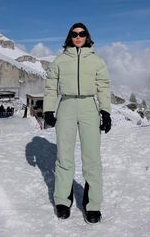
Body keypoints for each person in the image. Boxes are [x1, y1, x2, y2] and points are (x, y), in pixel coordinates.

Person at [43, 22, 111, 223]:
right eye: (74, 34)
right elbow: (50, 87)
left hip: (89, 106)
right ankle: (63, 201)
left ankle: (93, 205)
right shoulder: (60, 60)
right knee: (64, 156)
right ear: (70, 37)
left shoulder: (97, 61)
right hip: (67, 105)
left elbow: (103, 87)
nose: (78, 37)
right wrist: (48, 109)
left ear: (87, 36)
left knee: (92, 157)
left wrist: (105, 111)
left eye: (82, 34)